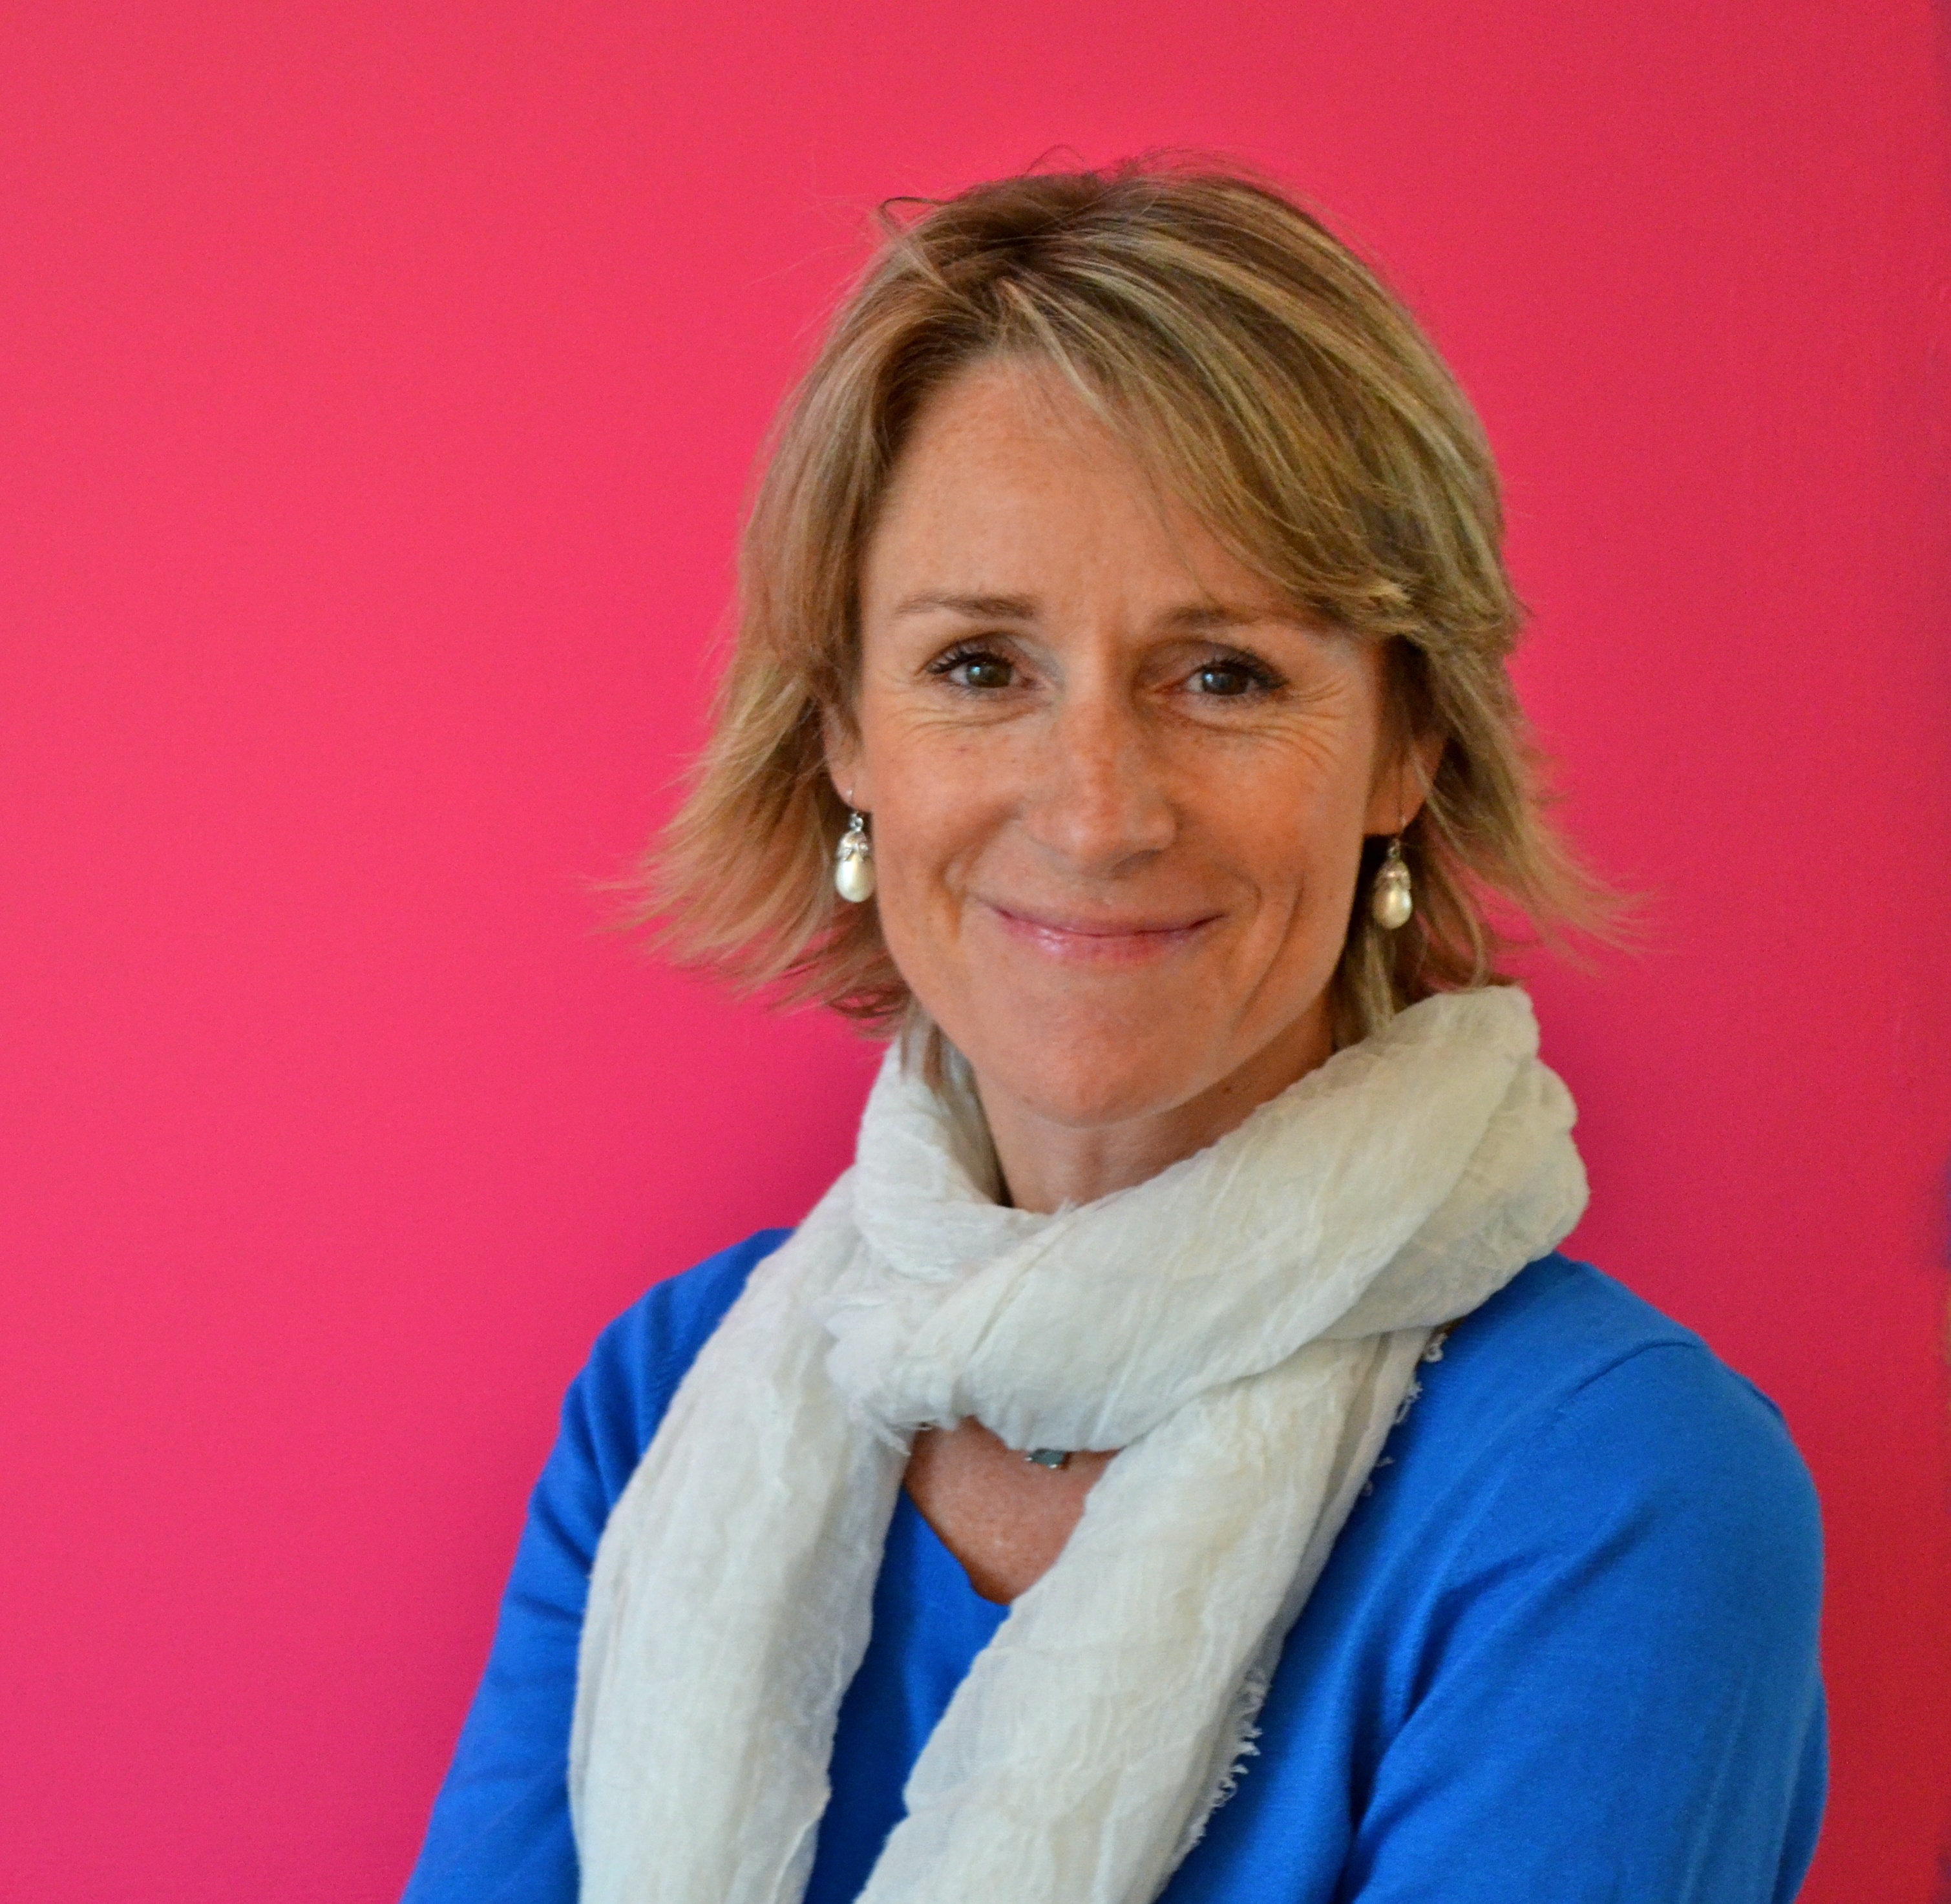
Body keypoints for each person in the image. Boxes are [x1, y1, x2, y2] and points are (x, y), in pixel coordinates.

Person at [402, 163, 1825, 1904]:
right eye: (979, 667)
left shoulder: (1620, 1492)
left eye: (1222, 674)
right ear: (843, 731)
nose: (1093, 814)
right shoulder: (665, 1393)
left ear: (1407, 745)